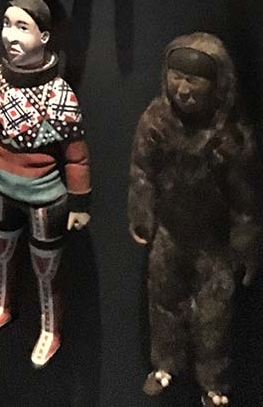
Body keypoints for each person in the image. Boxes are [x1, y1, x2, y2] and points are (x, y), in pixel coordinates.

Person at [0, 0, 91, 367]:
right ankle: (3, 305)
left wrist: (80, 202)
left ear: (45, 36)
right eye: (6, 24)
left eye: (23, 27)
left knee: (46, 265)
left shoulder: (59, 95)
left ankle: (50, 327)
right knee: (1, 252)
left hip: (44, 197)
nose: (10, 37)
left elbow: (75, 156)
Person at [128, 33, 261, 407]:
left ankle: (214, 381)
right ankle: (164, 364)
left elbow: (246, 200)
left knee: (214, 316)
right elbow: (142, 171)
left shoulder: (229, 136)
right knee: (163, 304)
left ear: (218, 85)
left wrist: (246, 245)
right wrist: (142, 214)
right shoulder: (156, 122)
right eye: (176, 77)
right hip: (169, 235)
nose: (183, 89)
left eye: (194, 80)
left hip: (213, 244)